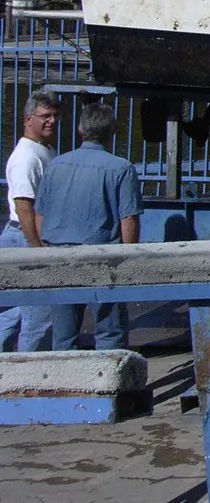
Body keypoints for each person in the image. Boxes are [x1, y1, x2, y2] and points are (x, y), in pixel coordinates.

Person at [34, 101, 143, 350]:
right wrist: (128, 260)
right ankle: (111, 385)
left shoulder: (56, 165)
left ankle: (66, 385)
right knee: (109, 332)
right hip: (102, 258)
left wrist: (45, 248)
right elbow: (128, 221)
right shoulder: (121, 168)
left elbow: (40, 215)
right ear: (111, 131)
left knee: (63, 336)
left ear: (81, 130)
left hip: (59, 256)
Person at [0, 89, 60, 351]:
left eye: (55, 115)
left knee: (11, 315)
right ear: (28, 119)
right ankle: (31, 376)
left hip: (21, 236)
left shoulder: (44, 149)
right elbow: (24, 208)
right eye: (45, 116)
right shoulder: (26, 157)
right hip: (24, 237)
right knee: (39, 316)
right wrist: (38, 250)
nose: (52, 121)